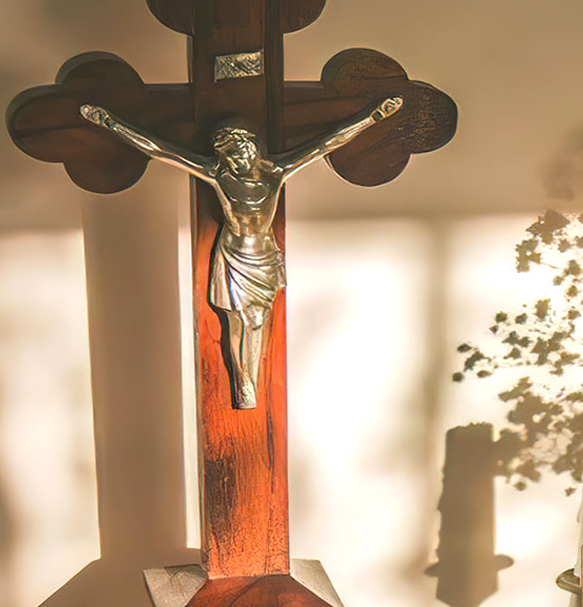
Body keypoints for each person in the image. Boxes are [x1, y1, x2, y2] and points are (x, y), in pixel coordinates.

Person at [79, 94, 402, 408]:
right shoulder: (218, 175)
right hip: (232, 254)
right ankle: (243, 382)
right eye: (229, 155)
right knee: (233, 321)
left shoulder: (275, 172)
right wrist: (110, 123)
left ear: (252, 146)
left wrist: (372, 118)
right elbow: (160, 150)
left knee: (258, 320)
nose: (236, 159)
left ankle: (253, 380)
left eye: (240, 151)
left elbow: (326, 144)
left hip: (262, 255)